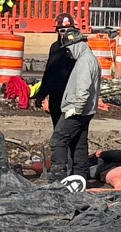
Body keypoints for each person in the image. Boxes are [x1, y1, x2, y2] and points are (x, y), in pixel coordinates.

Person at [38, 19, 99, 184]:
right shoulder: (87, 58)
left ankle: (59, 179)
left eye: (70, 48)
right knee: (79, 144)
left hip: (77, 110)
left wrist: (76, 108)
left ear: (77, 45)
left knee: (58, 140)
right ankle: (80, 178)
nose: (69, 52)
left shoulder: (85, 61)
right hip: (85, 110)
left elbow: (83, 89)